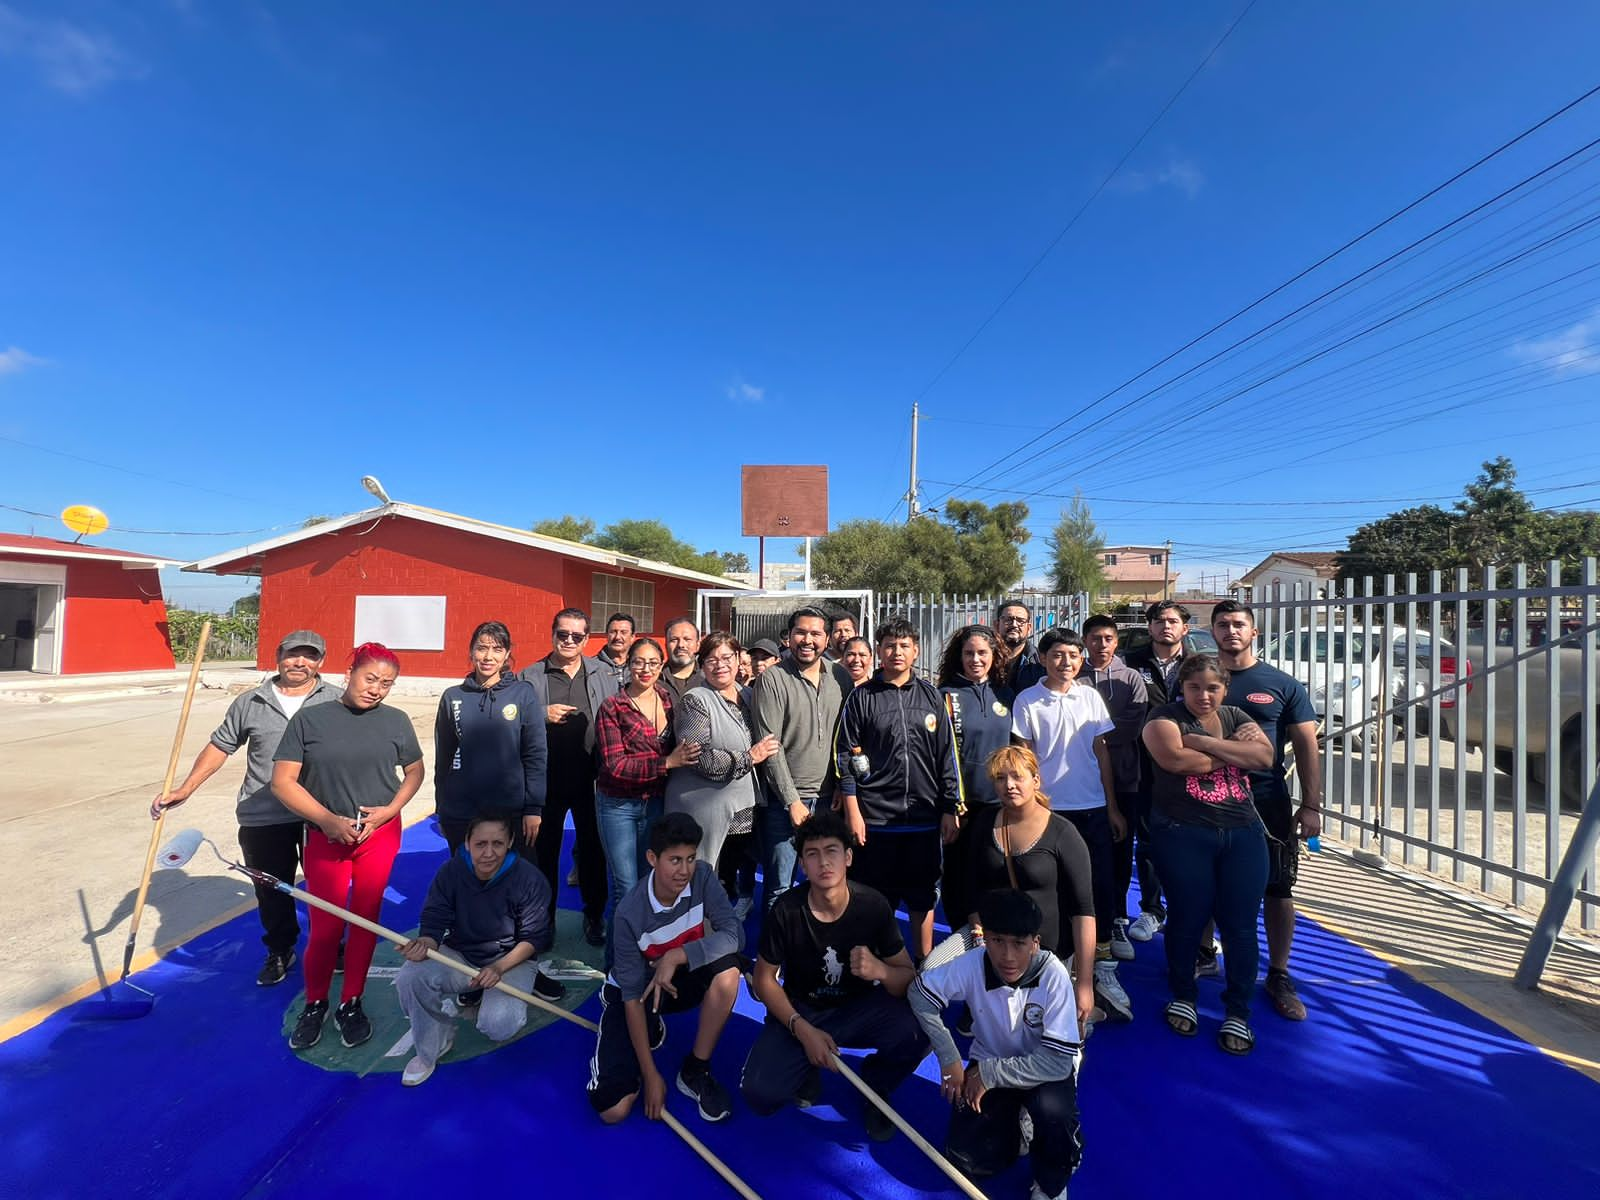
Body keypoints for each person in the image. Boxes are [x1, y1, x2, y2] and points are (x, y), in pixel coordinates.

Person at [151, 630, 338, 986]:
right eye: (293, 654)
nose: (300, 662)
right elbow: (221, 746)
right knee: (271, 889)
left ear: (321, 662)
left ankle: (332, 945)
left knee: (326, 887)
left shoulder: (336, 700)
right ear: (278, 655)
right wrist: (185, 788)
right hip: (263, 813)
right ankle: (281, 949)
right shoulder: (250, 702)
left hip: (321, 814)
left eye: (309, 656)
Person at [273, 643, 425, 1051]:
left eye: (386, 684)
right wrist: (326, 820)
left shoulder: (396, 721)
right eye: (370, 678)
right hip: (326, 837)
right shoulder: (310, 720)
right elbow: (283, 782)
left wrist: (391, 809)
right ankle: (316, 1002)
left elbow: (415, 770)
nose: (376, 689)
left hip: (378, 836)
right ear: (350, 672)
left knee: (365, 921)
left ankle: (351, 1002)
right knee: (325, 928)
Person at [741, 810, 927, 1139]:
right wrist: (802, 1029)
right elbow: (764, 979)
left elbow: (907, 979)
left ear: (849, 857)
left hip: (860, 1009)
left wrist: (880, 970)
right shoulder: (786, 910)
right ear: (801, 864)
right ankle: (806, 1066)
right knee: (760, 1095)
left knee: (920, 1029)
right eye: (812, 854)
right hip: (804, 1009)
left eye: (832, 851)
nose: (823, 862)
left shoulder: (873, 906)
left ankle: (876, 1085)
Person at [911, 889, 1084, 1200]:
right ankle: (1015, 1125)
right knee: (967, 1158)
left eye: (1019, 943)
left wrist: (989, 1074)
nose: (1007, 956)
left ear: (1035, 943)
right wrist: (949, 1057)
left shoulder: (1054, 974)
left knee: (1053, 1112)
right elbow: (919, 994)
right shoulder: (972, 963)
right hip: (991, 1059)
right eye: (997, 941)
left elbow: (1057, 1063)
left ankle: (1051, 1181)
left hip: (1043, 1068)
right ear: (984, 938)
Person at [1141, 654, 1274, 1054]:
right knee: (1188, 915)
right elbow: (1175, 760)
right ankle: (1184, 993)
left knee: (1241, 926)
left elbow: (1266, 758)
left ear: (1225, 689)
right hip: (1183, 833)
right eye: (1194, 687)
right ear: (1181, 686)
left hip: (1243, 833)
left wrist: (1205, 743)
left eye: (1212, 688)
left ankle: (1238, 1010)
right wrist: (1233, 751)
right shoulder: (1163, 718)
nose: (1203, 695)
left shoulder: (1236, 716)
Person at [587, 812, 744, 1124]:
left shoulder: (703, 877)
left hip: (679, 976)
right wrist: (651, 1074)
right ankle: (643, 1024)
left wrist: (676, 956)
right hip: (640, 992)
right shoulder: (629, 914)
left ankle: (695, 1070)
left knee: (729, 969)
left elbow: (734, 935)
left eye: (690, 858)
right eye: (674, 860)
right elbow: (632, 996)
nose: (684, 870)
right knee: (613, 1110)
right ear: (652, 858)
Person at [1010, 628, 1130, 1022]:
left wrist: (1112, 805)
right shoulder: (1027, 700)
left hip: (1093, 807)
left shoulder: (1091, 697)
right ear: (1043, 658)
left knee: (1098, 890)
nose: (1067, 662)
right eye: (1058, 654)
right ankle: (1048, 970)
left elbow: (1101, 752)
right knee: (1050, 890)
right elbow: (1025, 758)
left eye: (1074, 655)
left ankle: (1101, 971)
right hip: (1049, 811)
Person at [1211, 599, 1322, 1021]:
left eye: (1238, 624)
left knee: (1278, 889)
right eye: (1222, 624)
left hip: (1267, 801)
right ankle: (1205, 954)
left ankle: (1278, 972)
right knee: (1208, 884)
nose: (1230, 631)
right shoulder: (1201, 678)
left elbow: (1308, 746)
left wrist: (1311, 804)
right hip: (1211, 798)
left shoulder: (1281, 684)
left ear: (1253, 632)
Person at [835, 618, 963, 961]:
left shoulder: (932, 697)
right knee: (875, 899)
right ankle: (879, 963)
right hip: (875, 820)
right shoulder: (862, 698)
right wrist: (853, 812)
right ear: (879, 650)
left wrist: (951, 806)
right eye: (890, 645)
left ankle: (925, 965)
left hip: (923, 820)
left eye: (904, 645)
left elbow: (947, 756)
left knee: (922, 898)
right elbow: (845, 756)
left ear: (916, 651)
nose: (897, 652)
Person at [395, 812, 553, 1086]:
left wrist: (499, 968)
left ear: (510, 842)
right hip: (462, 955)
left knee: (499, 1025)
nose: (489, 853)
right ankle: (432, 1045)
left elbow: (534, 938)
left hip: (510, 960)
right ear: (467, 843)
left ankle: (497, 994)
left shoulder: (529, 879)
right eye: (481, 844)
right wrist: (427, 944)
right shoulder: (451, 872)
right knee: (410, 976)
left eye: (498, 844)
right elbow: (434, 918)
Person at [964, 747, 1095, 1024]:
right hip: (994, 946)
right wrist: (978, 936)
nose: (1008, 785)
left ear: (1035, 780)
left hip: (1046, 954)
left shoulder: (1063, 833)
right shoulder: (984, 822)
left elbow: (1084, 912)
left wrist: (1084, 983)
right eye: (1000, 778)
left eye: (1017, 776)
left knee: (1039, 1031)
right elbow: (972, 884)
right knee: (931, 975)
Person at [595, 638, 701, 938]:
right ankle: (618, 966)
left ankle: (645, 951)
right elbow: (615, 765)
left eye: (653, 663)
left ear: (661, 666)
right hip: (617, 805)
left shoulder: (667, 698)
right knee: (625, 888)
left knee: (650, 882)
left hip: (655, 803)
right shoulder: (612, 707)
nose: (645, 669)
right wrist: (666, 763)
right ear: (628, 665)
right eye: (638, 662)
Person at [522, 608, 613, 947]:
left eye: (577, 636)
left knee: (593, 852)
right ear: (552, 634)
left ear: (587, 640)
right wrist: (539, 714)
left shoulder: (603, 673)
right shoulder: (530, 676)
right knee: (543, 853)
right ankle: (543, 920)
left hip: (593, 779)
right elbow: (513, 720)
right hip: (546, 780)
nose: (569, 641)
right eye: (563, 634)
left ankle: (594, 915)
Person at [751, 607, 848, 913]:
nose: (808, 640)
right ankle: (774, 960)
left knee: (827, 886)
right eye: (801, 632)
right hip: (785, 804)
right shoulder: (773, 679)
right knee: (780, 888)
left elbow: (845, 739)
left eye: (816, 633)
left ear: (827, 638)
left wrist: (842, 788)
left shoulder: (840, 676)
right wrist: (792, 801)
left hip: (829, 802)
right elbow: (770, 748)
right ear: (789, 636)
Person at [664, 631, 780, 878]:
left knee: (729, 881)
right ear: (702, 665)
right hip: (705, 811)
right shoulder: (695, 700)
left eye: (727, 657)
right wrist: (750, 757)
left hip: (743, 811)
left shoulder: (749, 695)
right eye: (711, 660)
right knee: (705, 881)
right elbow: (699, 757)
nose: (720, 665)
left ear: (738, 659)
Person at [433, 621, 546, 854]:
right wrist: (442, 807)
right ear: (471, 651)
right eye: (481, 648)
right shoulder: (453, 697)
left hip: (510, 810)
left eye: (497, 649)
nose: (488, 656)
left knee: (514, 881)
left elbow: (535, 753)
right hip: (462, 811)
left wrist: (533, 808)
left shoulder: (522, 693)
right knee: (467, 880)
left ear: (507, 655)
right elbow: (443, 757)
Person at [936, 624, 1015, 933]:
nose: (976, 659)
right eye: (969, 653)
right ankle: (960, 936)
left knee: (994, 873)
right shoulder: (945, 695)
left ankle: (991, 935)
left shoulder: (1006, 694)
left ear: (994, 655)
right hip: (961, 806)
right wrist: (950, 805)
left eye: (982, 652)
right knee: (958, 876)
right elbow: (941, 756)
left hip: (999, 804)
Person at [1119, 601, 1191, 943]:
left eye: (1173, 621)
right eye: (1159, 621)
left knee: (1185, 842)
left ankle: (1188, 913)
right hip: (1142, 766)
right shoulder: (1130, 662)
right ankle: (1151, 909)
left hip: (1187, 765)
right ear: (1149, 627)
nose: (1166, 626)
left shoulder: (1198, 665)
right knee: (1146, 840)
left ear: (1184, 628)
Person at [1079, 615, 1149, 962]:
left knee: (1120, 851)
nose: (1101, 644)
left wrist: (1093, 735)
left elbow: (1134, 724)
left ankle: (1118, 917)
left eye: (1108, 638)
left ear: (1116, 642)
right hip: (1080, 779)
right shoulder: (1074, 678)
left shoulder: (1132, 678)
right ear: (1085, 640)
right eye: (1095, 638)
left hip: (1124, 778)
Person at [996, 600, 1044, 692]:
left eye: (1020, 621)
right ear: (996, 625)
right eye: (1008, 620)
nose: (1014, 625)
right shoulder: (985, 658)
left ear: (1029, 628)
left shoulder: (1041, 660)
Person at [661, 617, 705, 700]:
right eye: (674, 640)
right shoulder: (654, 679)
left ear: (697, 645)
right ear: (666, 645)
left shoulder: (709, 679)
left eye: (687, 639)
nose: (681, 645)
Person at [594, 612, 636, 693]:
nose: (617, 637)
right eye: (613, 632)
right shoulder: (592, 667)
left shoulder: (639, 667)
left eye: (623, 632)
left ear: (632, 637)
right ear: (606, 635)